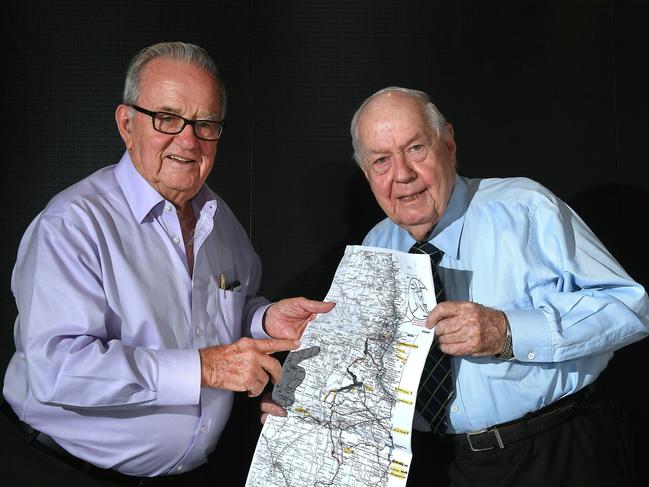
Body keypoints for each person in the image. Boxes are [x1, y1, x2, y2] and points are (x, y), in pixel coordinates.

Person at [261, 87, 649, 486]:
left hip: (553, 453)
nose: (402, 174)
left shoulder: (526, 209)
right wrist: (305, 407)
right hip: (439, 466)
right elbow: (361, 372)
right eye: (381, 160)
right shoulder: (374, 246)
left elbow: (630, 307)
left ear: (448, 143)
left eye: (414, 148)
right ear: (367, 174)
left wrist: (507, 331)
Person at [1, 41, 333, 485]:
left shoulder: (222, 222)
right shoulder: (73, 225)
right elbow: (57, 369)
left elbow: (231, 307)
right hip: (62, 471)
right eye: (168, 118)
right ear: (127, 124)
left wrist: (266, 319)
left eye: (205, 124)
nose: (188, 140)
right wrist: (205, 368)